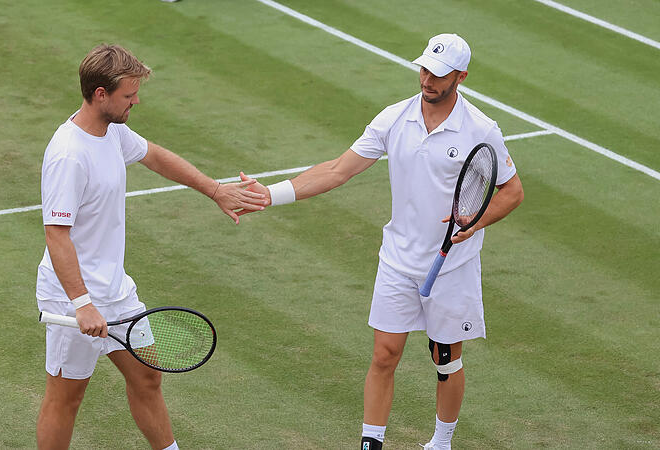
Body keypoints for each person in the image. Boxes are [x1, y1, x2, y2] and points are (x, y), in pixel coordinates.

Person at [239, 34, 524, 449]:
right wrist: (272, 194)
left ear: (460, 77)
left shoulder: (481, 130)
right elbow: (338, 169)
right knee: (384, 355)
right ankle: (371, 443)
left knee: (445, 359)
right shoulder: (394, 118)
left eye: (439, 74)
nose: (427, 79)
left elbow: (512, 191)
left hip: (452, 266)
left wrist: (475, 223)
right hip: (397, 260)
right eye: (424, 68)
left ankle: (441, 442)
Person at [35, 44, 266, 450]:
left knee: (147, 376)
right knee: (66, 397)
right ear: (101, 94)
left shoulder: (113, 131)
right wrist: (82, 302)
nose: (136, 101)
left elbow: (155, 156)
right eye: (129, 94)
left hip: (116, 291)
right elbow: (57, 235)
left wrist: (214, 190)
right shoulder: (69, 156)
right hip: (72, 298)